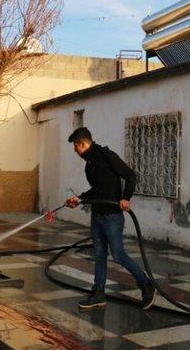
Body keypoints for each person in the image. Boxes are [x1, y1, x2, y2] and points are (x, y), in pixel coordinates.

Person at [65, 127, 156, 310]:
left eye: (75, 146)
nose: (75, 150)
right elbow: (98, 190)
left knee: (119, 255)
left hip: (112, 217)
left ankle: (146, 284)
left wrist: (126, 197)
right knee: (99, 255)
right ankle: (98, 294)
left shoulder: (106, 155)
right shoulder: (89, 163)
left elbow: (130, 175)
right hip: (97, 216)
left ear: (82, 144)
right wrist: (80, 198)